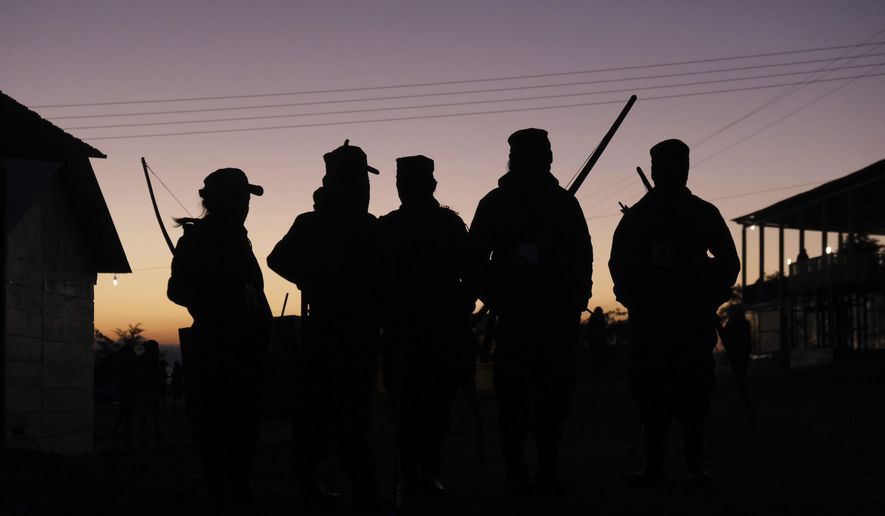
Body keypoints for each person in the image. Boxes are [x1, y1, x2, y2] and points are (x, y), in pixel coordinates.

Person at [609, 139, 740, 485]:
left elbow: (729, 262)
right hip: (652, 323)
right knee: (652, 398)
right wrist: (638, 299)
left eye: (677, 165)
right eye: (665, 166)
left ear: (685, 169)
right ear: (655, 170)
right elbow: (619, 265)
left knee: (694, 396)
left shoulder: (701, 213)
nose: (671, 172)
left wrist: (709, 292)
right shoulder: (639, 218)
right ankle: (655, 468)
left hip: (691, 321)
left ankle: (694, 467)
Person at [470, 128, 593, 494]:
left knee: (553, 402)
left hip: (555, 320)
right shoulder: (496, 203)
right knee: (513, 402)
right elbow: (474, 262)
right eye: (534, 154)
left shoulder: (562, 204)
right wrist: (498, 295)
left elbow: (582, 258)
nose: (543, 159)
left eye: (543, 153)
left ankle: (545, 470)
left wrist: (574, 301)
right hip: (515, 320)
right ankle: (516, 472)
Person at [267, 140, 387, 514]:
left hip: (356, 331)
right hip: (329, 331)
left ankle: (356, 487)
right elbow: (277, 259)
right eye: (359, 178)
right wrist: (314, 278)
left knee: (349, 415)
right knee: (321, 415)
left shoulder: (367, 226)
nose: (365, 186)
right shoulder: (315, 223)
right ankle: (321, 486)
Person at [167, 168, 273, 507]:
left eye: (246, 199)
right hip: (217, 348)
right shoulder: (198, 240)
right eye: (239, 198)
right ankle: (223, 494)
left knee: (244, 427)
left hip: (247, 349)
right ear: (219, 201)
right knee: (218, 427)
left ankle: (237, 491)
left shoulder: (238, 238)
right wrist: (226, 294)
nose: (245, 205)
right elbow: (177, 290)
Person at [378, 155, 474, 508]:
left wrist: (461, 307)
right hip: (401, 331)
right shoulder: (388, 227)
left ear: (430, 185)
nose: (406, 189)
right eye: (402, 183)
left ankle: (428, 473)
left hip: (439, 332)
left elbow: (469, 273)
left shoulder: (448, 225)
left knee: (435, 408)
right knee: (405, 409)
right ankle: (410, 477)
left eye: (412, 183)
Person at [134, 339, 164, 444]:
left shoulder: (143, 358)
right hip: (149, 389)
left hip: (146, 389)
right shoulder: (151, 359)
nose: (157, 349)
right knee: (152, 413)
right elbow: (154, 375)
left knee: (146, 413)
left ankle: (144, 435)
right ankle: (154, 435)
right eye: (156, 348)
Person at [585, 306, 608, 382]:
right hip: (595, 341)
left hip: (599, 341)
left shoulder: (600, 318)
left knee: (601, 358)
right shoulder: (595, 318)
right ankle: (597, 375)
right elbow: (589, 329)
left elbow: (604, 328)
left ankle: (601, 374)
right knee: (595, 359)